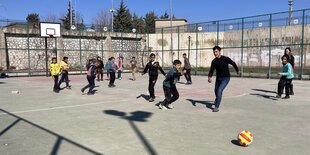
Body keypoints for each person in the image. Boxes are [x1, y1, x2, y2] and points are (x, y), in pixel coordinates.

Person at [208, 46, 240, 112]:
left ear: (220, 51)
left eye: (216, 52)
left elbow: (233, 63)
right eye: (214, 52)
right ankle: (217, 99)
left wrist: (237, 70)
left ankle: (216, 107)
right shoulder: (214, 61)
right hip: (218, 78)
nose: (215, 53)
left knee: (219, 90)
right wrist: (209, 77)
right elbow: (211, 70)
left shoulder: (225, 59)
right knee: (216, 91)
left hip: (226, 78)